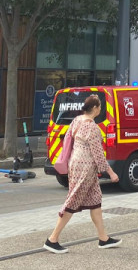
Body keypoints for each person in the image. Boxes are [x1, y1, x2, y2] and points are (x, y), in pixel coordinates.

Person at [45, 95, 121, 254]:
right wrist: (111, 173)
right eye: (99, 106)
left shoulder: (77, 120)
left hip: (77, 164)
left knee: (95, 201)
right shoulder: (92, 127)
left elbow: (68, 140)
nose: (100, 109)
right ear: (94, 108)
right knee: (72, 201)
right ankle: (52, 239)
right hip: (85, 168)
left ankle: (103, 238)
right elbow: (98, 154)